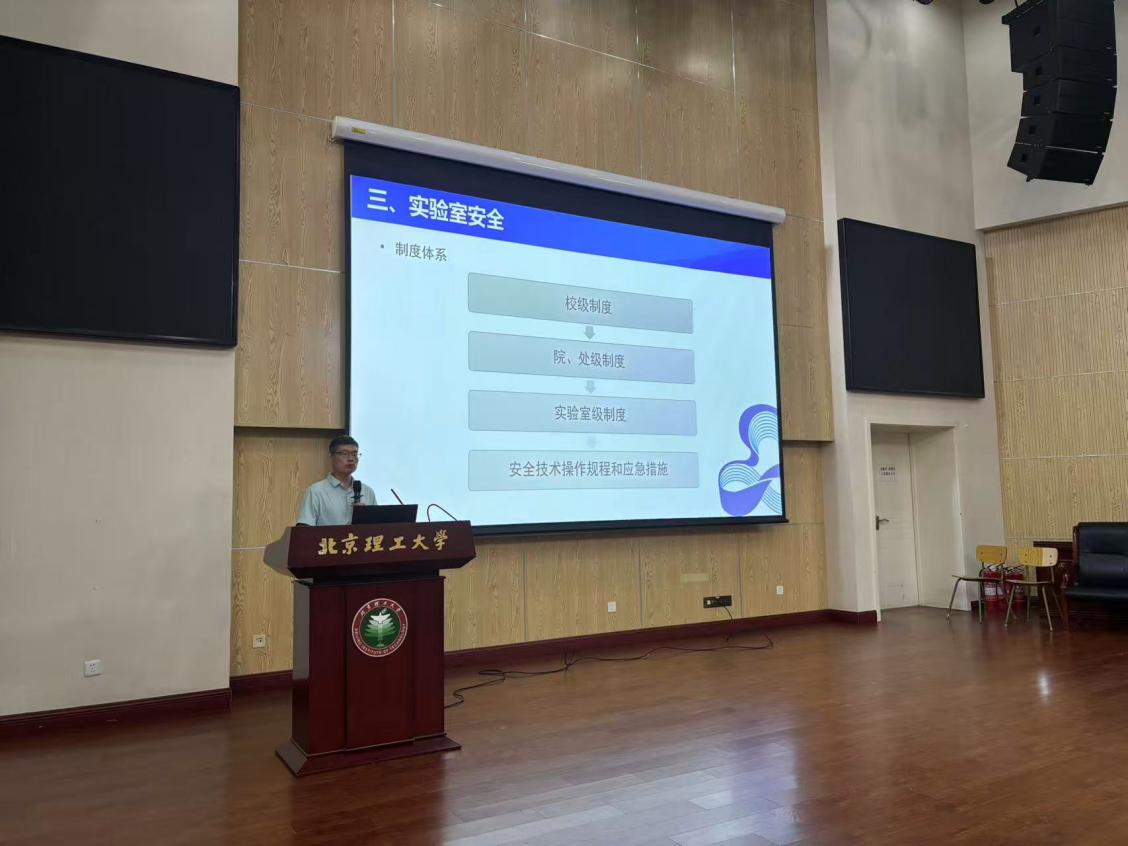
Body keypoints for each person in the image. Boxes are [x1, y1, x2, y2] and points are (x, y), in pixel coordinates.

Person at [296, 435, 376, 526]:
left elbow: (378, 528)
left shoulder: (367, 491)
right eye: (344, 454)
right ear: (331, 456)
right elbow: (304, 528)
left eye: (354, 454)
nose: (351, 459)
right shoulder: (316, 492)